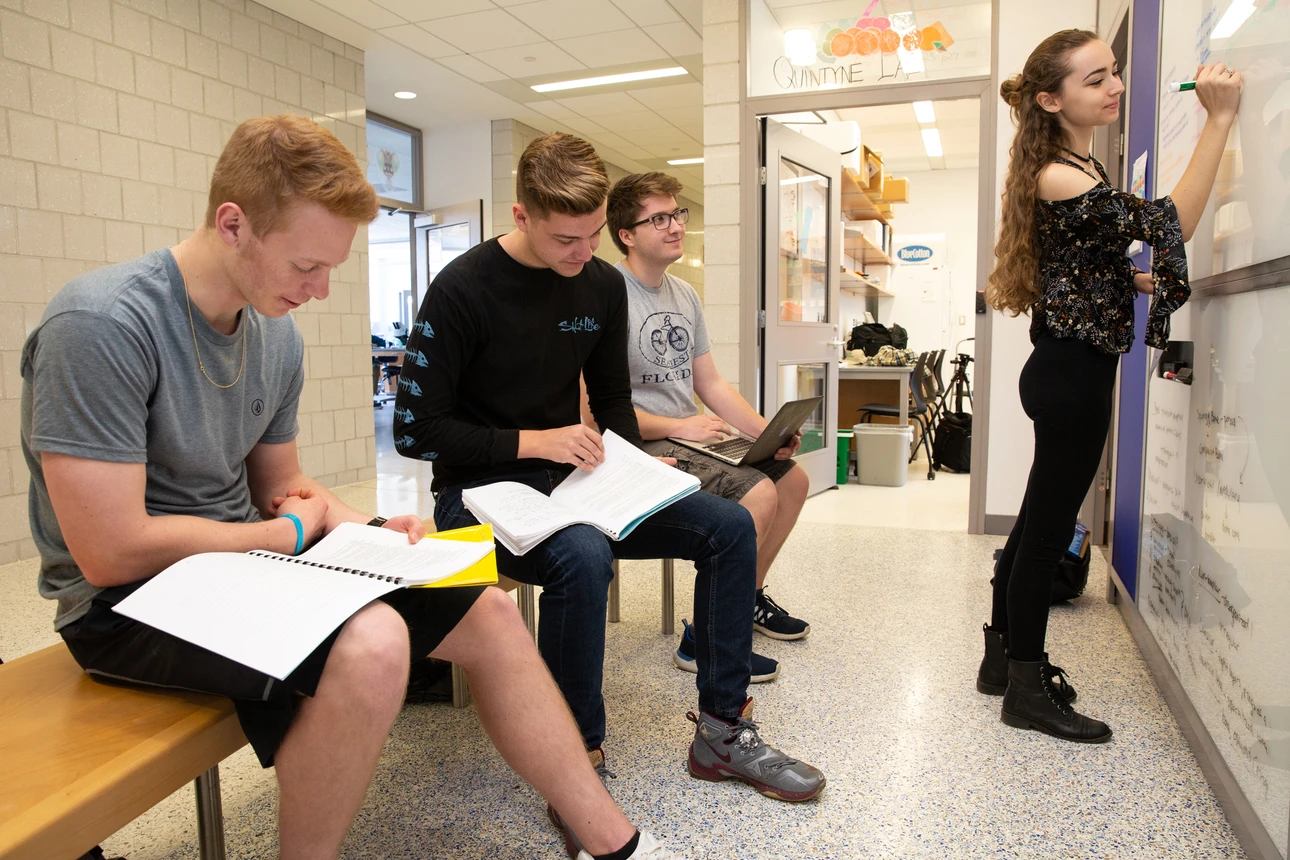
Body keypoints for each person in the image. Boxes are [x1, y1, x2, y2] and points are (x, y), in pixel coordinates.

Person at [21, 114, 684, 860]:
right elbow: (111, 553)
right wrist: (290, 535)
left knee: (490, 612)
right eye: (307, 266)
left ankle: (612, 843)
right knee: (372, 645)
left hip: (240, 563)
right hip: (123, 604)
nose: (321, 290)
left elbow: (283, 486)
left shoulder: (271, 333)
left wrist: (368, 527)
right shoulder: (102, 325)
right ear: (232, 224)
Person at [392, 133, 826, 837]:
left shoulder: (597, 284)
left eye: (595, 235)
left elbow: (616, 406)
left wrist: (639, 463)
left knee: (729, 524)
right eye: (567, 238)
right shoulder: (464, 288)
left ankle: (721, 731)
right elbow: (416, 431)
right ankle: (578, 759)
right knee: (583, 559)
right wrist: (536, 441)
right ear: (522, 214)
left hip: (574, 480)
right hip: (477, 495)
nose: (582, 254)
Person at [981, 31, 1241, 742]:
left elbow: (1081, 260)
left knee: (1038, 521)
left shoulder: (1074, 163)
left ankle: (1000, 659)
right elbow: (1172, 225)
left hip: (1067, 370)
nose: (1114, 87)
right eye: (1096, 79)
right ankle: (1027, 690)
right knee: (1044, 537)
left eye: (1115, 73)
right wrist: (1218, 120)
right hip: (1072, 377)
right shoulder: (1064, 174)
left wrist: (1125, 279)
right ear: (1050, 98)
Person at [598, 172, 811, 684]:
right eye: (660, 218)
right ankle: (704, 637)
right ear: (626, 234)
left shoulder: (684, 295)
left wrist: (769, 433)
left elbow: (711, 383)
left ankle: (742, 603)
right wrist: (680, 425)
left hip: (688, 430)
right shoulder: (607, 295)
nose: (676, 226)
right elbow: (605, 406)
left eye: (678, 215)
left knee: (794, 479)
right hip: (642, 443)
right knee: (758, 495)